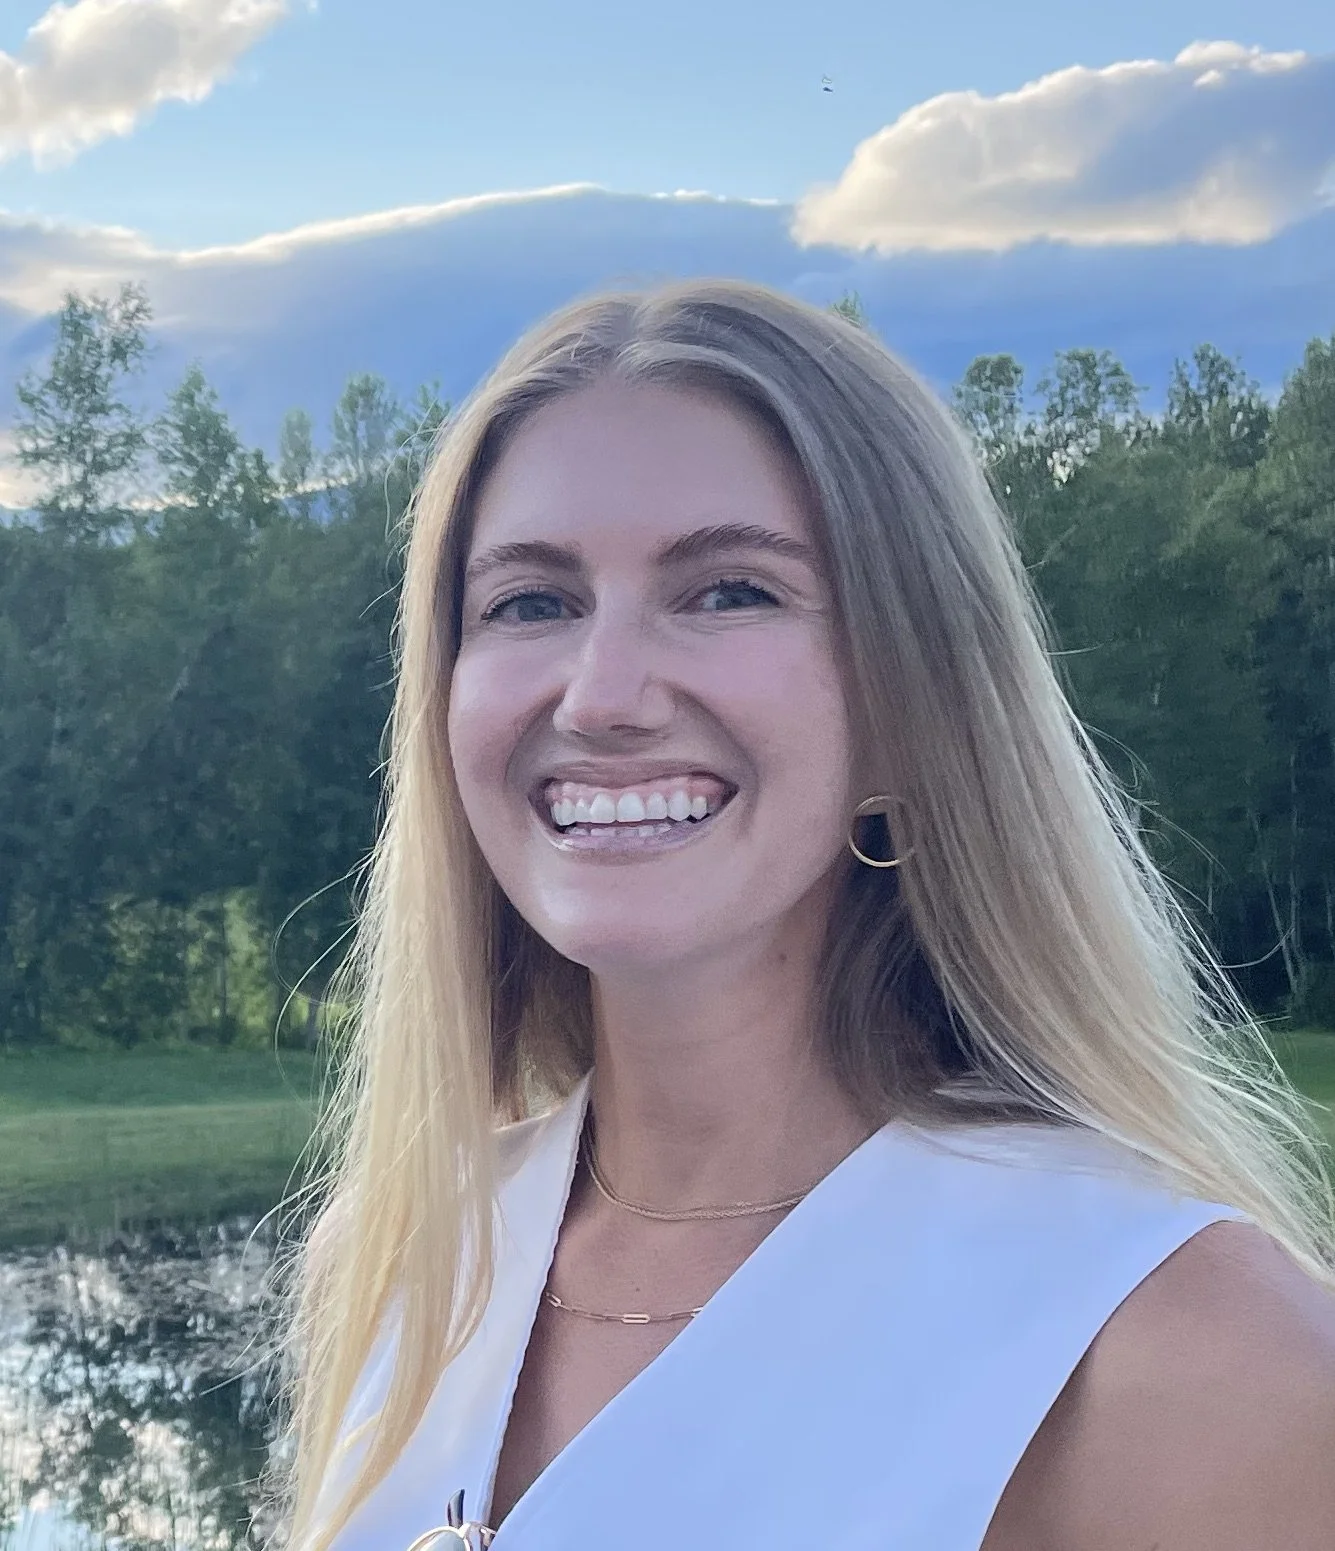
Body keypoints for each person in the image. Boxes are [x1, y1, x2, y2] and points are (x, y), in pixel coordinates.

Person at [270, 279, 1335, 1551]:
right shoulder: (392, 1264)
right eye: (531, 602)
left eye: (729, 591)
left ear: (907, 702)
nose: (601, 695)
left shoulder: (1191, 1356)